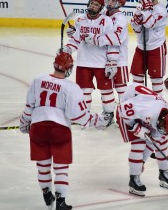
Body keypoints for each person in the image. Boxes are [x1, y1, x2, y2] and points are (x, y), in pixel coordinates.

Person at [19, 51, 106, 210]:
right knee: (61, 167)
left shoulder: (38, 80)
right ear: (69, 69)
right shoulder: (71, 87)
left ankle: (47, 194)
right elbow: (79, 116)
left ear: (54, 64)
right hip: (59, 129)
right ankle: (60, 201)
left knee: (43, 165)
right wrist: (97, 121)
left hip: (37, 128)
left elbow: (29, 107)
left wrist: (24, 123)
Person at [116, 83, 168, 196]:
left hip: (141, 109)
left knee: (161, 141)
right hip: (126, 112)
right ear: (162, 120)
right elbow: (122, 110)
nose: (162, 131)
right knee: (139, 143)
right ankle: (134, 179)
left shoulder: (165, 113)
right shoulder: (149, 109)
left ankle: (164, 173)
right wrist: (134, 127)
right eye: (163, 128)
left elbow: (155, 140)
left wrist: (142, 161)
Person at [63, 0, 116, 125]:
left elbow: (112, 42)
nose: (93, 6)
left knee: (106, 91)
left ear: (101, 8)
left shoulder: (107, 21)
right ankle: (83, 115)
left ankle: (109, 115)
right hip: (83, 62)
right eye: (91, 3)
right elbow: (75, 39)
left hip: (101, 63)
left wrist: (112, 61)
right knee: (83, 91)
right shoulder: (80, 19)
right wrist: (68, 49)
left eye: (96, 4)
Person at [130, 0, 168, 94]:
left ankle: (158, 101)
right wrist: (138, 15)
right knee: (136, 75)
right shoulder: (141, 7)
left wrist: (145, 9)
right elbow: (136, 28)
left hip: (156, 46)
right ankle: (138, 99)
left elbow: (148, 23)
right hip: (141, 46)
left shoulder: (161, 10)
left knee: (156, 78)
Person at [104, 0, 130, 100]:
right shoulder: (103, 15)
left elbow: (115, 39)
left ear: (119, 3)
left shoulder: (120, 19)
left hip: (119, 59)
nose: (110, 1)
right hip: (103, 58)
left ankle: (124, 109)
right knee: (106, 87)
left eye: (113, 0)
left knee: (121, 88)